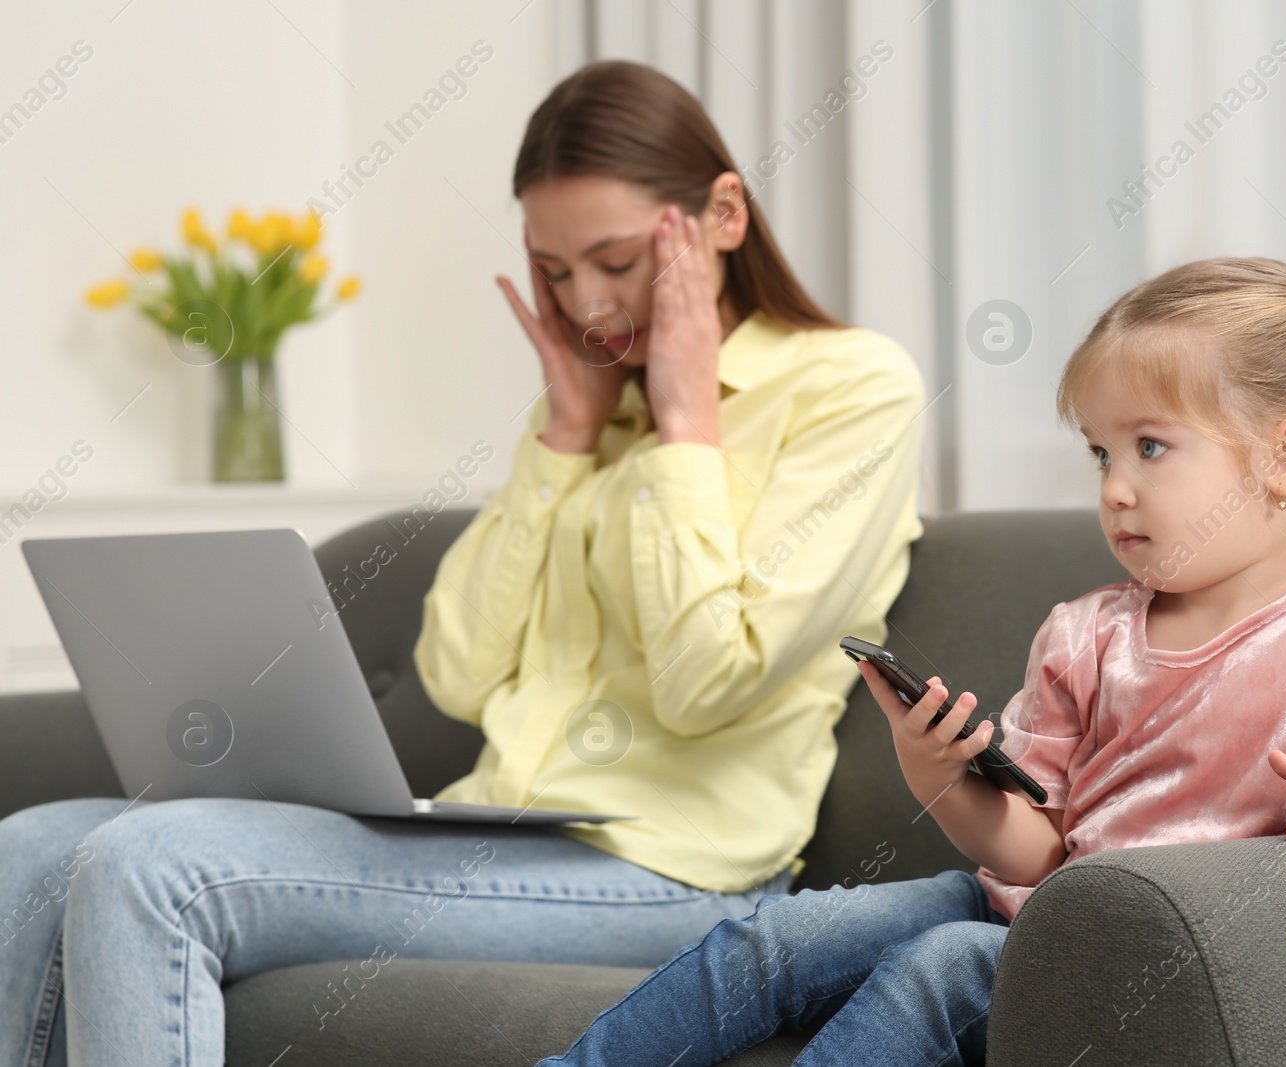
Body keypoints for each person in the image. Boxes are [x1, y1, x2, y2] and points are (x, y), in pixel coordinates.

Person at [0, 60, 926, 1066]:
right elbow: (458, 671)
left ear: (722, 216)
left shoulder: (854, 389)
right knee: (32, 846)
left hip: (678, 869)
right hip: (504, 828)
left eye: (616, 262)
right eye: (555, 271)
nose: (590, 308)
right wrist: (566, 438)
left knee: (151, 864)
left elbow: (706, 682)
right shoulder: (582, 411)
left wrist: (686, 428)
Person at [534, 258, 1286, 1066]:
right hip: (1039, 900)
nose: (1116, 488)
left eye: (1150, 448)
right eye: (1099, 453)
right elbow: (1034, 851)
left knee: (941, 961)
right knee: (773, 934)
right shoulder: (1084, 631)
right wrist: (939, 778)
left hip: (1160, 944)